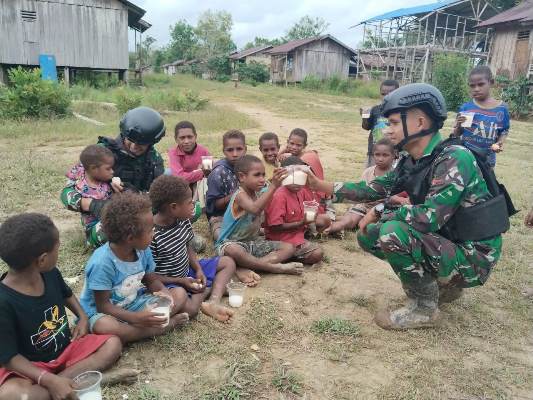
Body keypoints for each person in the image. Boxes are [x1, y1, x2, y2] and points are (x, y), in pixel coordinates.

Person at [307, 83, 506, 330]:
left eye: (393, 123)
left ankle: (424, 309)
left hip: (474, 256)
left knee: (391, 230)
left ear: (420, 123)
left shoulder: (454, 158)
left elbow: (428, 218)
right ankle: (443, 285)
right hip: (452, 242)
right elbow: (370, 189)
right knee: (370, 235)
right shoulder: (413, 161)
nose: (388, 130)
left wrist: (380, 211)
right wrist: (316, 183)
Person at [0, 213, 122, 399]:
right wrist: (45, 378)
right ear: (41, 260)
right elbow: (9, 358)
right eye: (57, 248)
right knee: (11, 395)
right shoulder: (4, 301)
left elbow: (67, 295)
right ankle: (73, 382)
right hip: (31, 366)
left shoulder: (49, 273)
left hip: (66, 350)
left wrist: (82, 317)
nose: (59, 250)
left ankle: (62, 383)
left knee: (112, 344)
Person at [79, 192, 189, 344]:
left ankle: (142, 327)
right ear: (130, 238)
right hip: (104, 312)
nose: (154, 233)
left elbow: (151, 280)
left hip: (133, 303)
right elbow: (103, 306)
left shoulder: (143, 249)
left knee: (179, 294)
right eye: (150, 230)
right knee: (105, 326)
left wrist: (164, 293)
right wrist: (137, 318)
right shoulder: (102, 263)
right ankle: (161, 327)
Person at [61, 106, 165, 247]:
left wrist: (136, 196)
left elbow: (157, 196)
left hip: (140, 212)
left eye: (141, 143)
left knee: (184, 207)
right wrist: (93, 205)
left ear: (152, 142)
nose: (134, 146)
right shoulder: (100, 153)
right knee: (115, 228)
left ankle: (171, 237)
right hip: (106, 219)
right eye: (130, 140)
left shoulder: (153, 159)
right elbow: (67, 193)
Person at [149, 175, 237, 322]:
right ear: (174, 207)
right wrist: (181, 282)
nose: (193, 205)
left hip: (187, 272)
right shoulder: (150, 235)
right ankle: (209, 289)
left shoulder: (183, 220)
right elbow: (150, 278)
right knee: (191, 310)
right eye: (190, 202)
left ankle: (212, 301)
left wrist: (198, 269)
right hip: (167, 283)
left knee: (228, 262)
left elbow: (187, 245)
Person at [215, 155, 304, 276]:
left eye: (263, 175)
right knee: (233, 250)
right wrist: (273, 186)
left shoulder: (259, 192)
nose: (262, 179)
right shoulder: (240, 195)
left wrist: (280, 178)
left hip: (252, 243)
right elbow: (254, 209)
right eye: (257, 175)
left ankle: (252, 266)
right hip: (231, 244)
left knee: (289, 248)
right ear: (242, 177)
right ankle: (274, 268)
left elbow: (271, 191)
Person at [326, 139, 409, 237]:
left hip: (383, 209)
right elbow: (362, 193)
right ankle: (329, 229)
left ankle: (333, 220)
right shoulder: (368, 172)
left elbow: (394, 198)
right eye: (377, 155)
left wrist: (398, 200)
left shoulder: (397, 175)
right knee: (351, 220)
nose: (380, 159)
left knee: (374, 227)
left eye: (385, 155)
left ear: (395, 155)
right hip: (364, 205)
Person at [264, 156, 330, 265]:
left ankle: (291, 252)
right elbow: (274, 227)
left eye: (300, 177)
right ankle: (288, 254)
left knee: (325, 219)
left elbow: (313, 207)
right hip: (281, 238)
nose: (297, 183)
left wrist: (311, 215)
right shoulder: (279, 195)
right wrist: (301, 223)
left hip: (298, 231)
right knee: (317, 254)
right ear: (284, 176)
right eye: (292, 178)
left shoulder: (301, 190)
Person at [453, 66, 510, 168]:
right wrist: (458, 125)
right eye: (472, 86)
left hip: (487, 161)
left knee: (485, 183)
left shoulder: (502, 109)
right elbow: (457, 135)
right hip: (467, 158)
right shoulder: (466, 108)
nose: (476, 89)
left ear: (491, 83)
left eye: (481, 84)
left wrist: (499, 143)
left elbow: (504, 131)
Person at [64, 145, 117, 247]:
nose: (112, 172)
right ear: (93, 168)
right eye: (108, 169)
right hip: (94, 227)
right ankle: (93, 241)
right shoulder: (83, 187)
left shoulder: (103, 179)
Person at [206, 130, 247, 241]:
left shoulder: (249, 167)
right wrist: (235, 195)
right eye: (230, 150)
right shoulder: (218, 172)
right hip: (221, 217)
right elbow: (214, 206)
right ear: (224, 151)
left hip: (244, 213)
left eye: (239, 149)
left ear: (245, 149)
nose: (235, 154)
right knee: (222, 237)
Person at [361, 79, 400, 167]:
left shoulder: (400, 111)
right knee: (371, 176)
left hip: (392, 154)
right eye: (383, 94)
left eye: (390, 94)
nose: (386, 97)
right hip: (375, 152)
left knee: (390, 178)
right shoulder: (375, 110)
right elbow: (366, 127)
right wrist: (364, 117)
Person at [168, 120, 211, 185]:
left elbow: (208, 174)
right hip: (181, 186)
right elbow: (179, 178)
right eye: (182, 138)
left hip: (199, 185)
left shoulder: (204, 151)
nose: (186, 141)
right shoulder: (173, 153)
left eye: (190, 137)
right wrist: (201, 172)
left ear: (195, 136)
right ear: (176, 139)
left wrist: (204, 172)